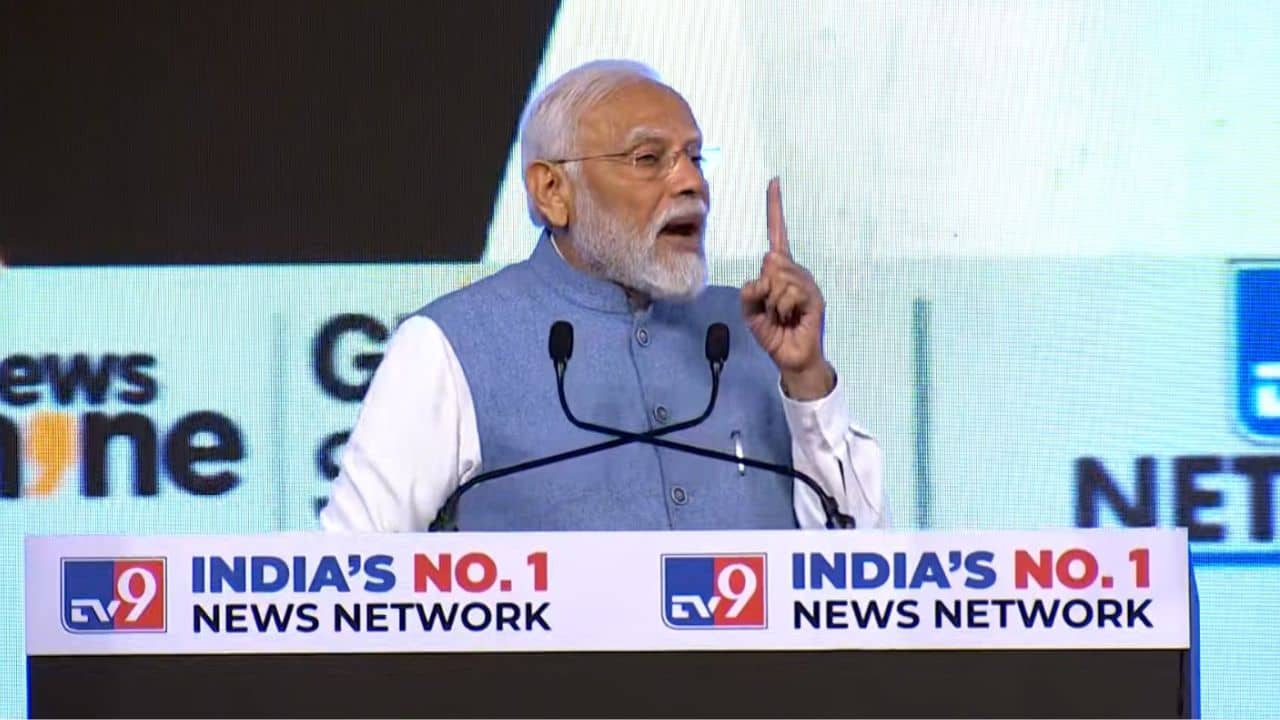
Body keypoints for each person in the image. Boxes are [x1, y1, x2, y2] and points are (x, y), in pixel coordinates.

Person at [321, 59, 889, 532]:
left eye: (695, 158)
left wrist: (807, 379)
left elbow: (865, 567)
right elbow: (350, 579)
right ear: (552, 190)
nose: (692, 183)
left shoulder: (755, 329)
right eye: (648, 159)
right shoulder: (449, 345)